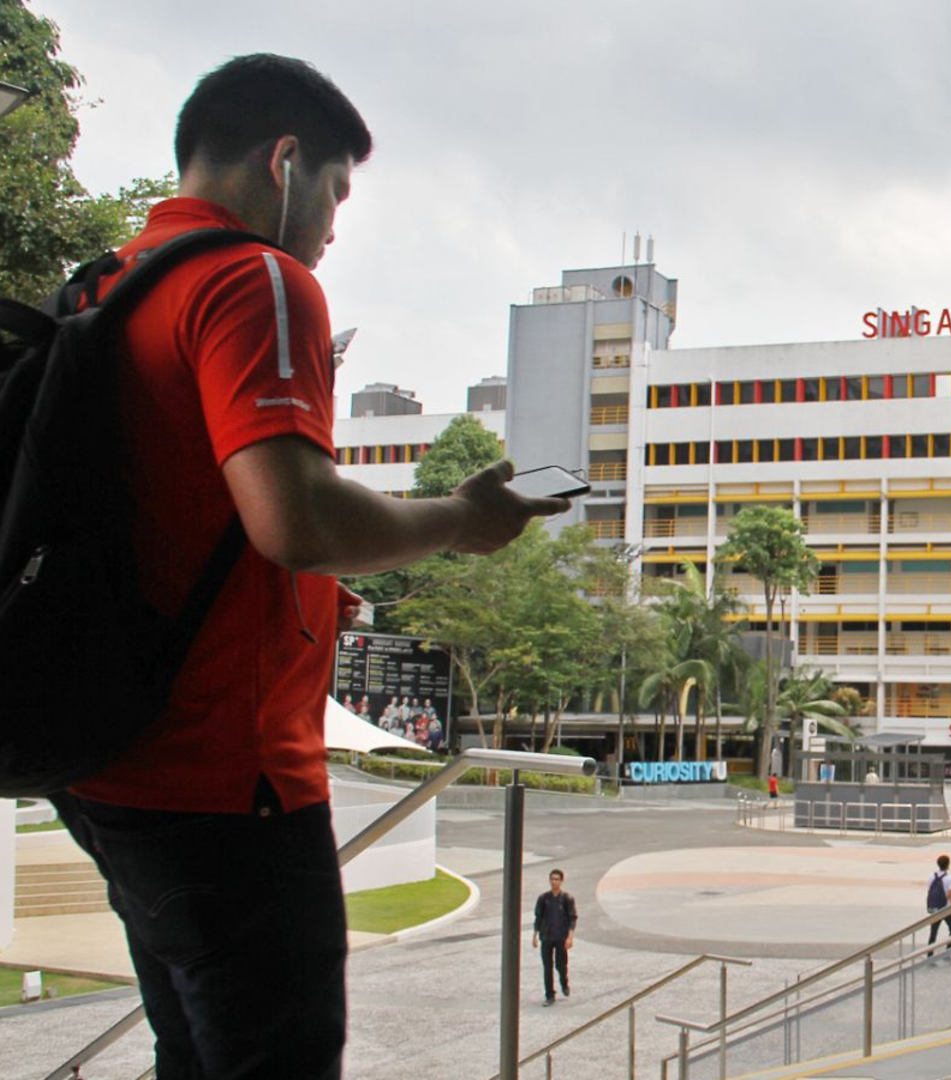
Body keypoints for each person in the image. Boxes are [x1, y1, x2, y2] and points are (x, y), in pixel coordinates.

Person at [46, 55, 567, 1079]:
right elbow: (295, 517)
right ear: (284, 162)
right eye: (335, 188)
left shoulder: (105, 288)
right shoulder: (254, 278)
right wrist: (462, 519)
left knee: (192, 1053)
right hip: (228, 783)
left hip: (112, 765)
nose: (333, 223)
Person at [532, 869, 579, 1005]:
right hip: (546, 936)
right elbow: (538, 917)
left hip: (561, 937)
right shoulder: (543, 898)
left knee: (560, 965)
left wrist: (570, 937)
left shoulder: (567, 899)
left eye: (557, 879)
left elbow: (572, 918)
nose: (554, 882)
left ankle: (564, 982)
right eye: (552, 879)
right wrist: (535, 935)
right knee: (547, 966)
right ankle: (549, 994)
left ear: (561, 881)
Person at [925, 854, 951, 959]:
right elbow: (950, 894)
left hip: (935, 908)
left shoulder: (931, 876)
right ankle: (948, 950)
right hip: (946, 908)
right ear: (948, 864)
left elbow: (929, 890)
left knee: (934, 931)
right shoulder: (950, 878)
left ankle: (930, 953)